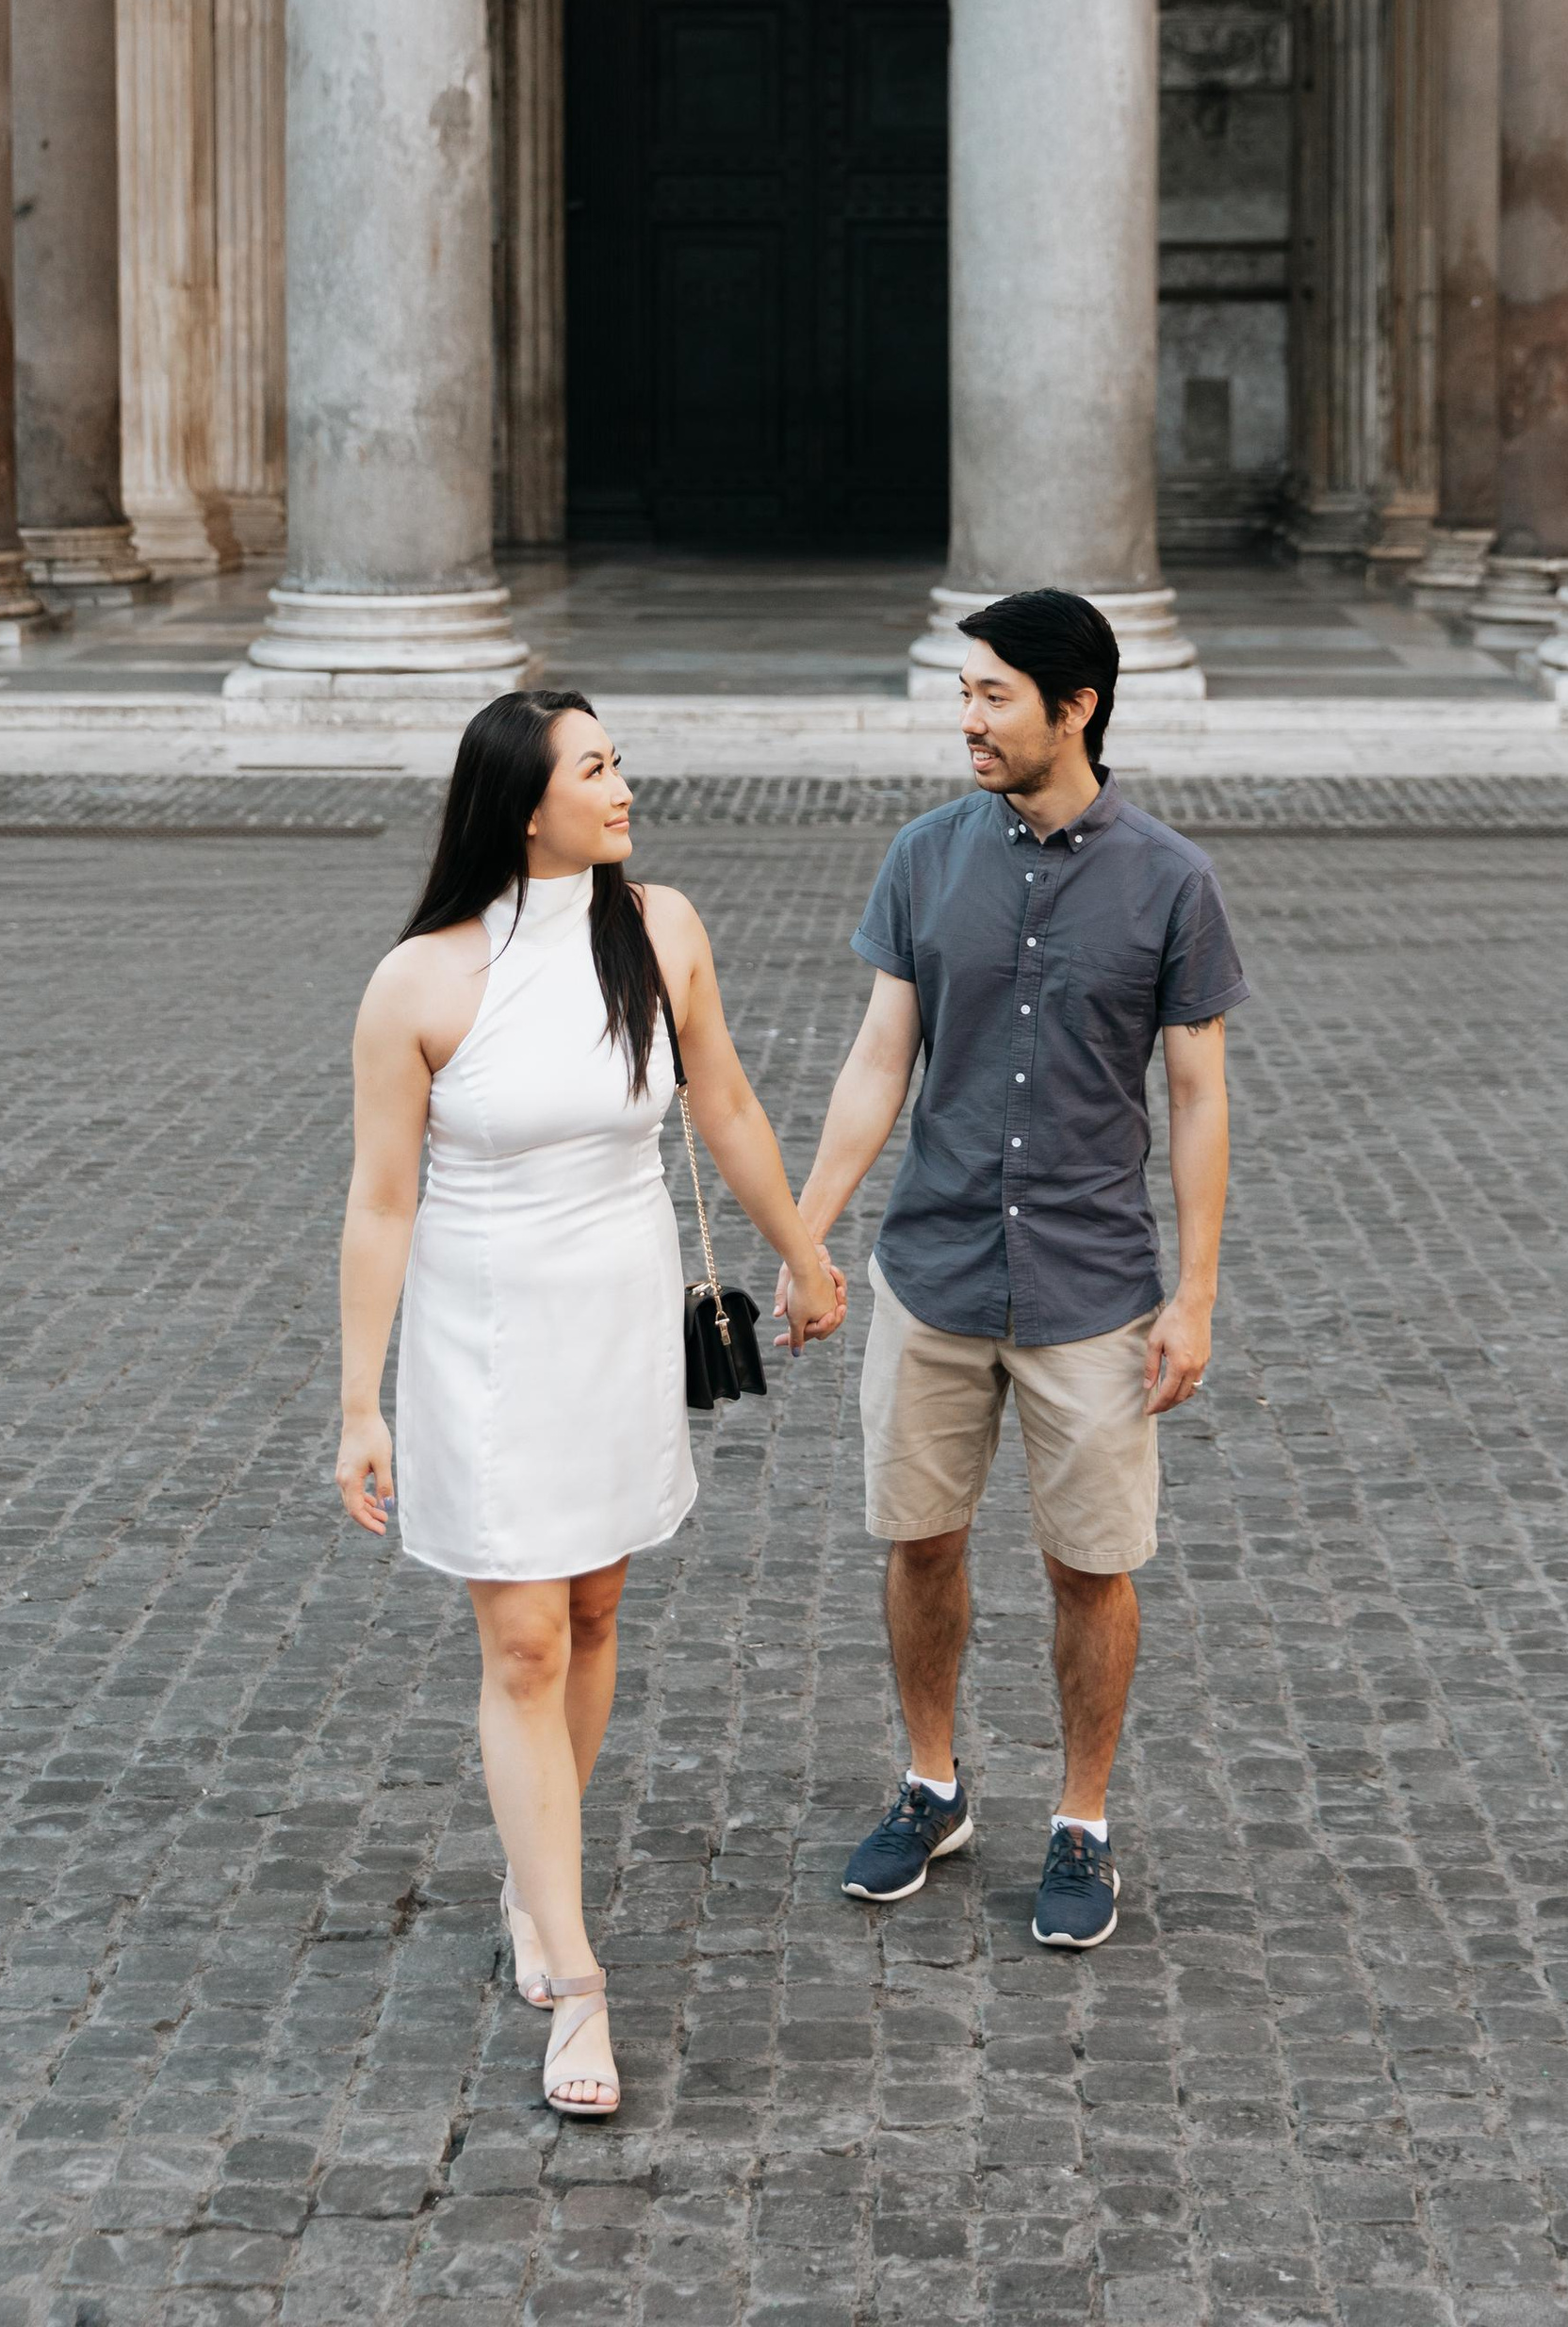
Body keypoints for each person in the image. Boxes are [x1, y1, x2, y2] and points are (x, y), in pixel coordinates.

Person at [335, 690, 843, 2118]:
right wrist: (358, 1403)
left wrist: (802, 1254)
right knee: (523, 1645)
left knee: (600, 1610)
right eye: (597, 770)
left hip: (618, 1319)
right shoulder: (420, 982)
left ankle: (530, 1864)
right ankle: (571, 1969)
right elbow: (381, 1203)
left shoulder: (660, 928)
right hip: (484, 1339)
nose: (625, 787)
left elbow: (725, 1105)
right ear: (523, 806)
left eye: (620, 762)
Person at [781, 588, 1244, 1951]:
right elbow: (881, 1060)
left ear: (1076, 706)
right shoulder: (926, 857)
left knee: (1089, 1568)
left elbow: (1202, 1098)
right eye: (964, 694)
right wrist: (810, 1230)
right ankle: (933, 1783)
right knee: (918, 1542)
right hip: (933, 1270)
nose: (967, 719)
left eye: (991, 696)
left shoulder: (1172, 882)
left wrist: (1199, 1293)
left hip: (1094, 1288)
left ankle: (1083, 1817)